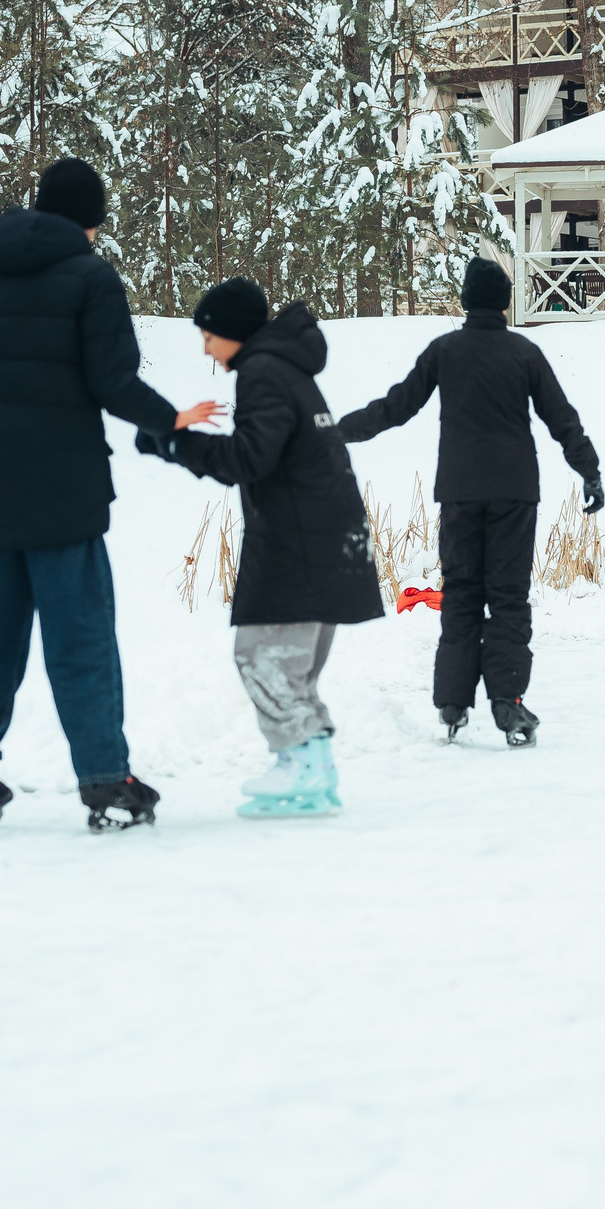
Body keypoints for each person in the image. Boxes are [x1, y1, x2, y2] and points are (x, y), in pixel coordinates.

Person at [0, 157, 217, 832]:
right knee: (80, 638)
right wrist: (171, 417)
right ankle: (104, 782)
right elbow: (112, 381)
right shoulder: (92, 278)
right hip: (64, 492)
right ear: (91, 221)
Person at [136, 278, 383, 815]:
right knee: (290, 669)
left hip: (300, 546)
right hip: (323, 540)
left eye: (207, 335)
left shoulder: (264, 372)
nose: (204, 347)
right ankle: (314, 767)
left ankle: (299, 762)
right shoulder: (286, 368)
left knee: (259, 657)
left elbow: (250, 460)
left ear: (231, 333)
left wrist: (174, 442)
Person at [338, 256, 602, 747]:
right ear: (505, 302)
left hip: (459, 492)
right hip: (514, 492)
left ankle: (453, 702)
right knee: (507, 595)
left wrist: (339, 432)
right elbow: (561, 417)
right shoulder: (524, 352)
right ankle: (508, 701)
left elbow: (396, 406)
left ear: (464, 301)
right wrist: (590, 470)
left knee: (460, 593)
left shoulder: (445, 350)